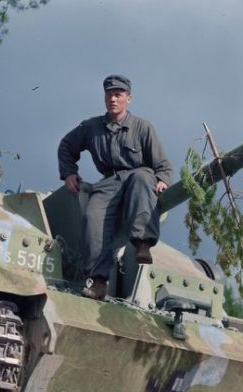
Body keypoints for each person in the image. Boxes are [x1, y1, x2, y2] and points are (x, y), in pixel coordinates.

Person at [58, 75, 172, 300]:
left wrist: (163, 179)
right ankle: (99, 281)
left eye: (118, 95)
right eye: (109, 94)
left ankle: (142, 244)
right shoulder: (92, 127)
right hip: (109, 182)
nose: (113, 99)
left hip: (139, 177)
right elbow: (66, 145)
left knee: (141, 179)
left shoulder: (142, 127)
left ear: (128, 99)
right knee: (92, 218)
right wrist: (69, 172)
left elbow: (162, 164)